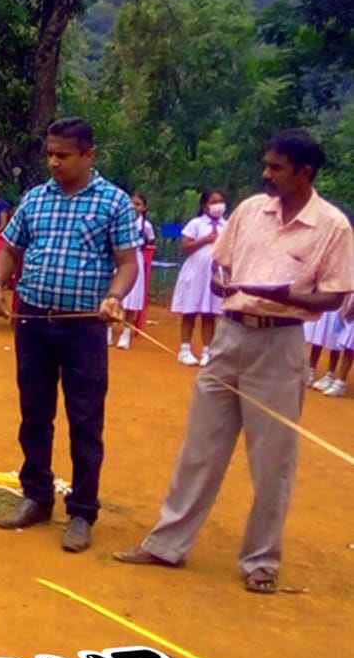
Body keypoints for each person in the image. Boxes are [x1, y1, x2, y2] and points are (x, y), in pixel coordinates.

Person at [116, 130, 354, 592]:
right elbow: (220, 265)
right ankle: (167, 544)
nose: (266, 174)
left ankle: (261, 561)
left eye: (276, 167)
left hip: (281, 343)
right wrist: (224, 284)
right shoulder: (249, 211)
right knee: (200, 447)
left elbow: (334, 295)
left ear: (305, 172)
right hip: (228, 337)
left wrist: (291, 297)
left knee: (273, 459)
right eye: (267, 164)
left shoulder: (333, 226)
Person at [0, 117, 141, 554]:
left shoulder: (114, 203)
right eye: (50, 154)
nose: (54, 162)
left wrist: (115, 296)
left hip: (84, 325)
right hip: (33, 319)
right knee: (34, 412)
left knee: (85, 418)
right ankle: (36, 496)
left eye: (63, 155)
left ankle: (83, 511)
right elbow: (10, 249)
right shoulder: (36, 198)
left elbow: (128, 262)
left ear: (88, 154)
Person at [171, 187, 228, 365]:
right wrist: (206, 239)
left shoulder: (227, 226)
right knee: (190, 310)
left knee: (210, 312)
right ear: (204, 206)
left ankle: (207, 351)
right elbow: (186, 247)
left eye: (221, 201)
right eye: (213, 202)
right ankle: (185, 350)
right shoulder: (196, 224)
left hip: (214, 273)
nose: (218, 205)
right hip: (196, 272)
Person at [113, 189, 157, 351]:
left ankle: (126, 333)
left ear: (144, 207)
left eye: (138, 204)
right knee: (115, 295)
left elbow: (150, 242)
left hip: (135, 260)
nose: (134, 207)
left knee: (132, 298)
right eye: (132, 203)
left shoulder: (146, 226)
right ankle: (109, 330)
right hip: (119, 258)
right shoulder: (120, 221)